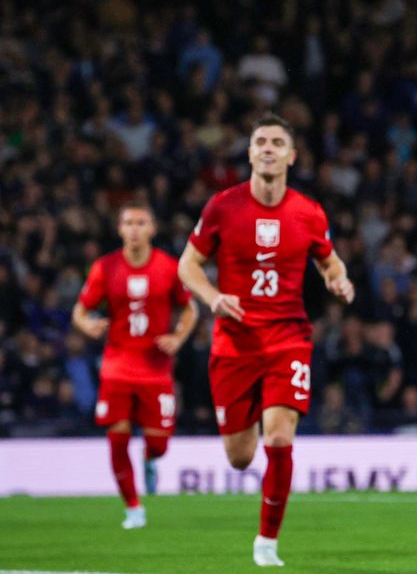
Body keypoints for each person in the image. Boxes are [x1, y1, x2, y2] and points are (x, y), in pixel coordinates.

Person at [178, 114, 355, 567]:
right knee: (240, 457)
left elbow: (330, 262)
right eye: (261, 141)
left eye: (278, 141)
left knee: (279, 437)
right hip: (234, 343)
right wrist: (213, 298)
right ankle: (253, 417)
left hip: (288, 337)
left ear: (292, 155)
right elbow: (188, 266)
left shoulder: (309, 211)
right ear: (251, 153)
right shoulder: (222, 206)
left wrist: (339, 280)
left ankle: (266, 543)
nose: (269, 148)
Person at [73, 201, 198, 529]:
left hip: (156, 369)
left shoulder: (170, 268)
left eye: (141, 223)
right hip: (117, 365)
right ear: (119, 229)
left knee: (158, 443)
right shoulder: (105, 267)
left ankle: (150, 461)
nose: (134, 229)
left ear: (152, 229)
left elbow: (190, 310)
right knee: (117, 438)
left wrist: (177, 338)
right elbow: (80, 310)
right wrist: (87, 326)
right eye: (128, 223)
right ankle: (133, 507)